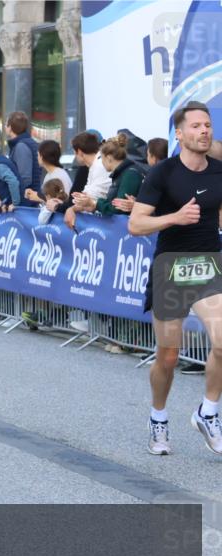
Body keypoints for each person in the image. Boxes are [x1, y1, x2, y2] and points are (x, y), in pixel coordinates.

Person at [127, 101, 222, 457]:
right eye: (196, 126)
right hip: (171, 267)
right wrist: (173, 218)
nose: (204, 131)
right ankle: (158, 417)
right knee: (168, 357)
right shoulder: (164, 173)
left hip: (208, 265)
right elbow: (135, 224)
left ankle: (208, 413)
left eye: (208, 125)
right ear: (179, 134)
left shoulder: (219, 171)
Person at [72, 133, 144, 216]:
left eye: (102, 158)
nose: (101, 162)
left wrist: (95, 203)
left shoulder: (130, 174)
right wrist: (93, 205)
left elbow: (118, 208)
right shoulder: (122, 174)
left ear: (109, 158)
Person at [62, 131, 113, 229]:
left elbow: (90, 197)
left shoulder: (99, 165)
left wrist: (72, 208)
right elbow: (86, 196)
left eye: (74, 152)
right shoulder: (94, 165)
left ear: (80, 152)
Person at [5, 110, 43, 200]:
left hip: (26, 200)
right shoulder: (28, 143)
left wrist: (14, 200)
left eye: (5, 124)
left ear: (10, 127)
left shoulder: (21, 146)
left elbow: (25, 179)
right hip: (31, 197)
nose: (4, 127)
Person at [24, 139, 72, 204]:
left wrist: (39, 197)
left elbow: (63, 201)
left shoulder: (59, 176)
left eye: (38, 155)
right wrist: (34, 194)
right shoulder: (50, 174)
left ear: (42, 157)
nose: (37, 157)